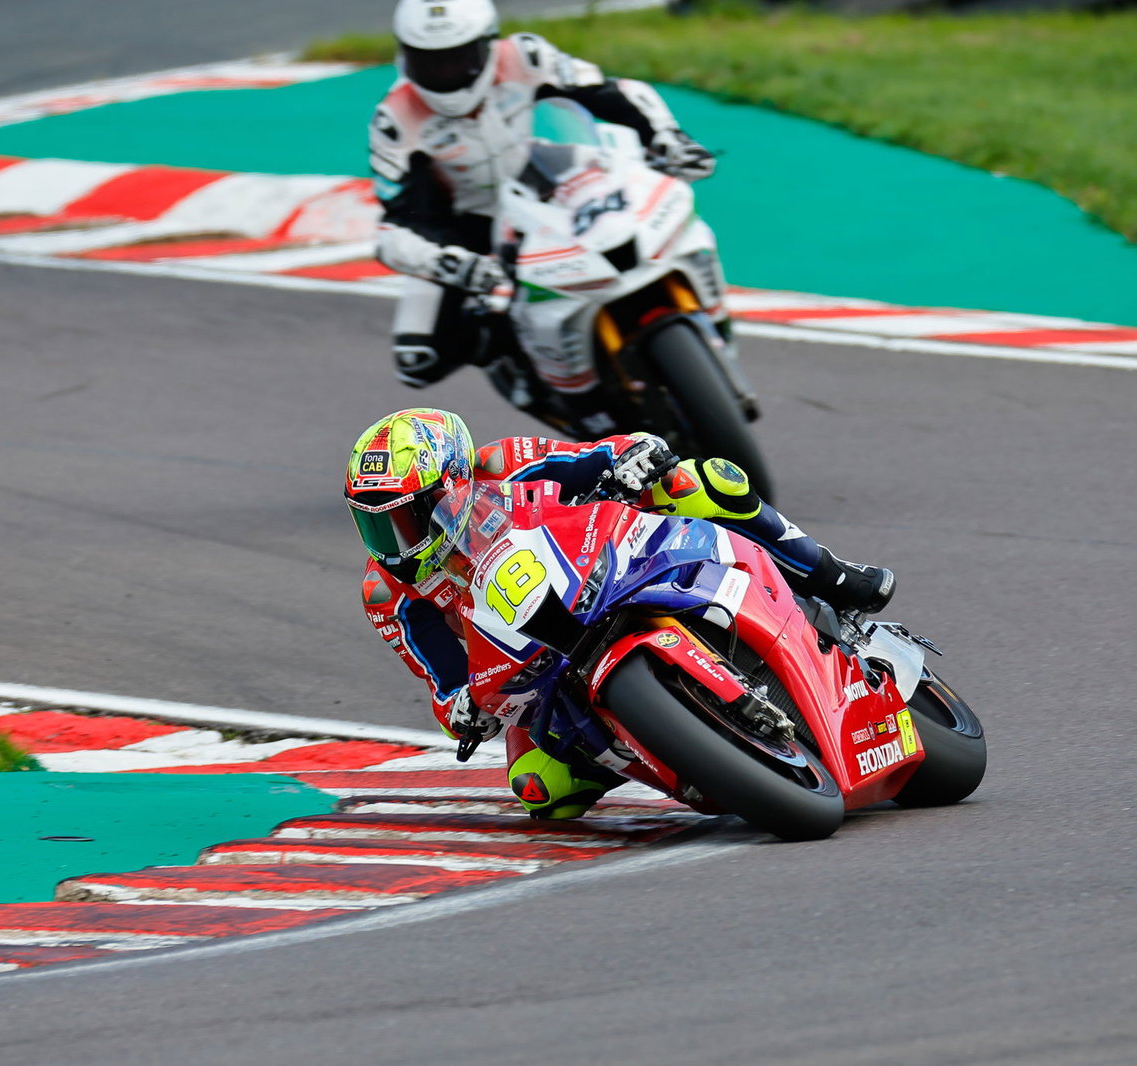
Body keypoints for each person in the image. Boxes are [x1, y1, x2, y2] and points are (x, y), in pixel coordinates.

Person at [346, 408, 895, 820]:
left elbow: (608, 453)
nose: (393, 541)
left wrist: (635, 457)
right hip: (536, 667)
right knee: (542, 789)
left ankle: (830, 574)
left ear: (455, 485)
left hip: (605, 562)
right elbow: (443, 685)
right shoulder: (386, 592)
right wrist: (463, 710)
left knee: (696, 481)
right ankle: (682, 755)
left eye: (406, 518)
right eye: (374, 523)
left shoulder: (504, 463)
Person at [370, 0, 722, 432]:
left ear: (486, 45)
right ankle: (522, 367)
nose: (444, 72)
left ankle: (706, 315)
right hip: (472, 228)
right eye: (430, 61)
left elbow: (608, 92)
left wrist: (667, 136)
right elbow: (400, 220)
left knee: (651, 213)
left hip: (553, 177)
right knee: (419, 359)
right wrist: (449, 262)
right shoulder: (394, 120)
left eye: (458, 58)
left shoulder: (525, 56)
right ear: (405, 55)